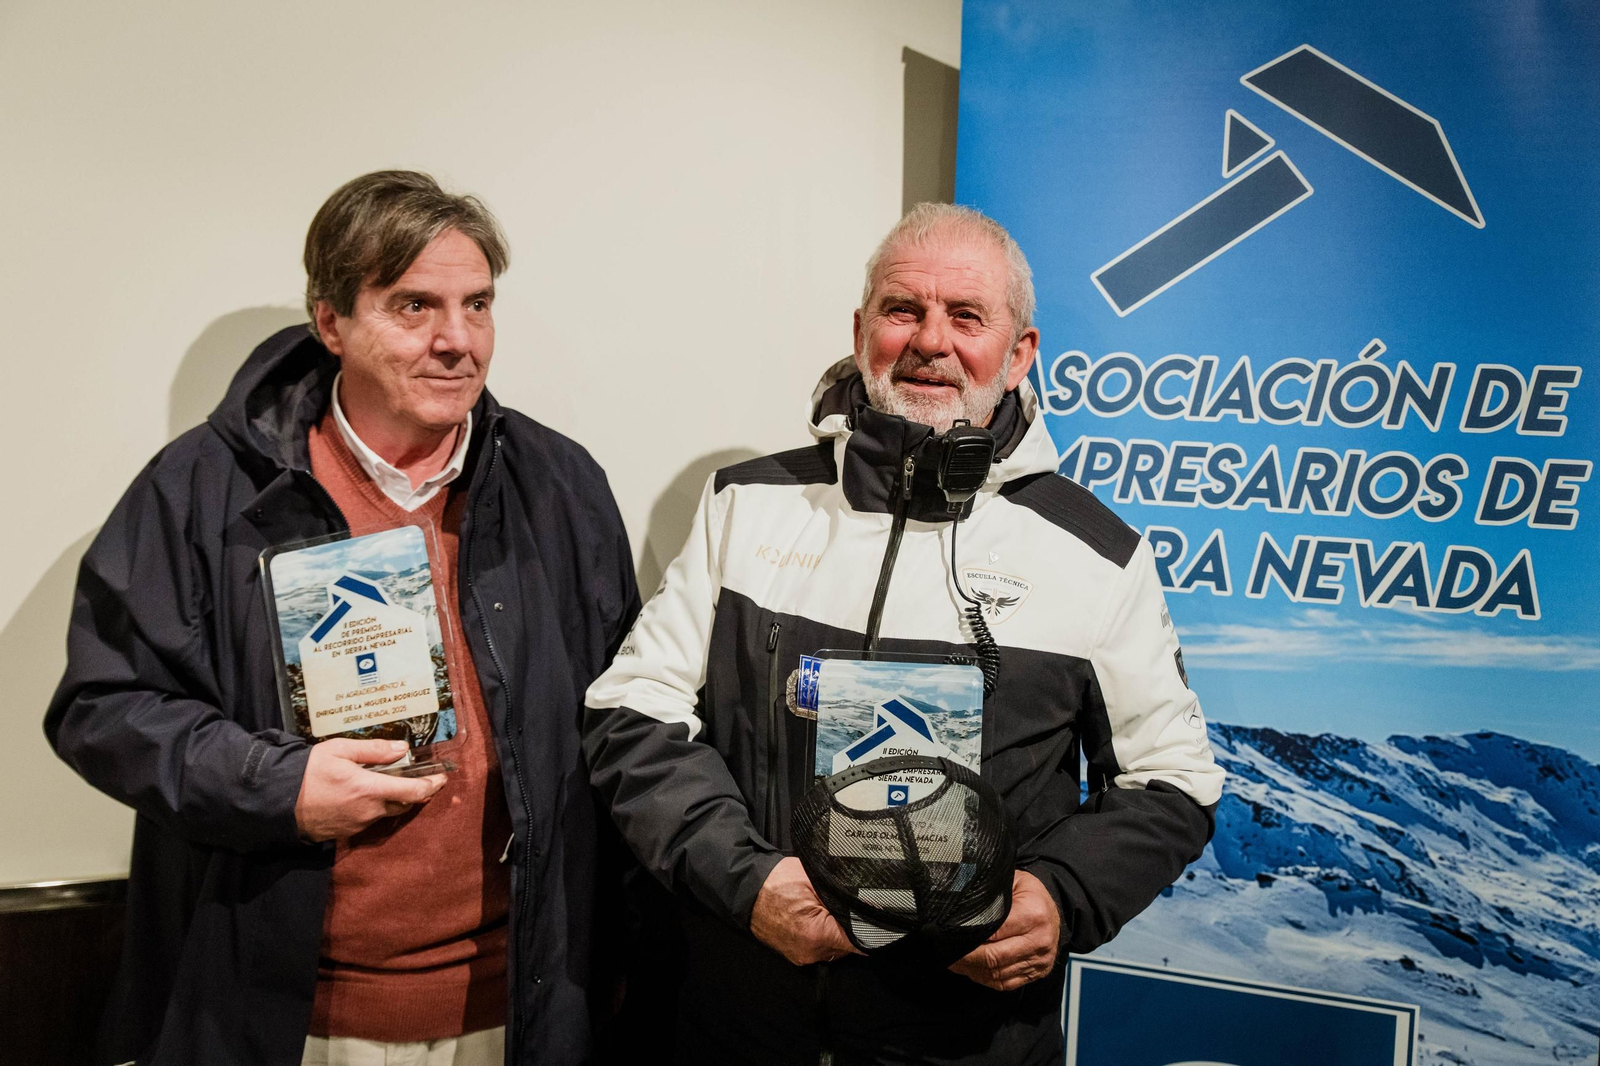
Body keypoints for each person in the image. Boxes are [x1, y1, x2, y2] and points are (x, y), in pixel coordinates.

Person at [583, 202, 1225, 1065]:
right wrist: (748, 881)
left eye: (966, 317)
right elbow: (631, 710)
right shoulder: (746, 504)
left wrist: (1061, 896)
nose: (930, 341)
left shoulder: (1097, 556)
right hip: (739, 1020)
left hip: (966, 1034)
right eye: (902, 310)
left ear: (1020, 352)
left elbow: (1173, 779)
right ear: (861, 332)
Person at [45, 171, 639, 1066]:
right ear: (332, 323)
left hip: (517, 1011)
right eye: (414, 306)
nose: (458, 341)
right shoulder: (203, 490)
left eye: (477, 304)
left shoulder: (560, 486)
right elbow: (102, 706)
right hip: (289, 1018)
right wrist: (276, 787)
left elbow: (619, 722)